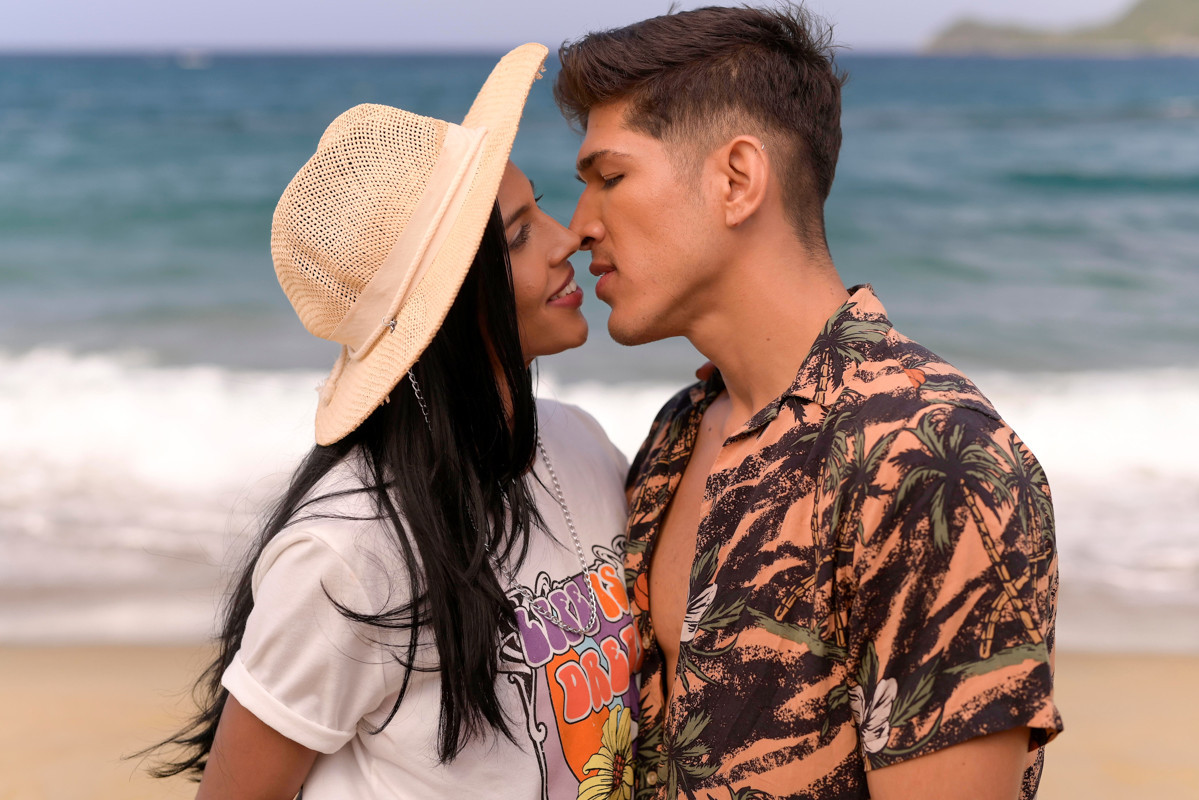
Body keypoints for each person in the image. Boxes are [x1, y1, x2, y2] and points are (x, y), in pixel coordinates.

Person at [555, 6, 1061, 800]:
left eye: (610, 178)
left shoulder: (929, 461)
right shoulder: (680, 432)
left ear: (735, 179)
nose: (579, 227)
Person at [147, 44, 638, 799]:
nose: (566, 238)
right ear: (447, 310)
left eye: (538, 208)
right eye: (517, 235)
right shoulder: (345, 554)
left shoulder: (581, 444)